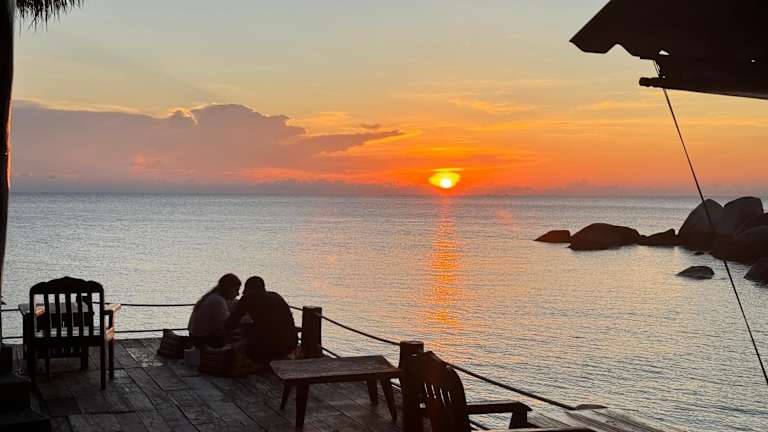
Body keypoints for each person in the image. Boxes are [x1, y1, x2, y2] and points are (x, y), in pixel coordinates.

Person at [225, 276, 298, 363]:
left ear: (248, 289)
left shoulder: (248, 298)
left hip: (267, 346)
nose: (243, 293)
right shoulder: (276, 296)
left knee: (233, 350)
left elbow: (230, 324)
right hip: (290, 344)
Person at [188, 273, 241, 348]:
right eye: (236, 290)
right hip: (204, 341)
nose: (238, 294)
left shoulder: (211, 297)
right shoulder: (217, 301)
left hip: (195, 337)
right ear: (228, 288)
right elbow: (225, 328)